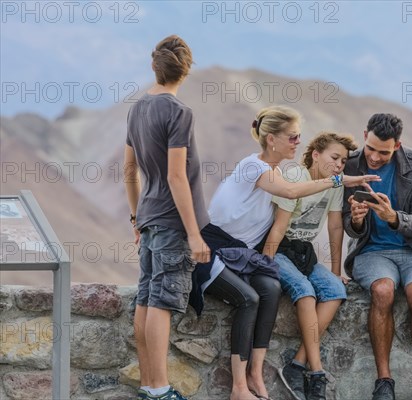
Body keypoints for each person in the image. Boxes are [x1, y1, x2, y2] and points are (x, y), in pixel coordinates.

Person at [189, 106, 379, 400]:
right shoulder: (254, 167)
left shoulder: (280, 172)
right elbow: (290, 195)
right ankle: (239, 388)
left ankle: (257, 374)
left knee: (271, 289)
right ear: (271, 139)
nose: (297, 143)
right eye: (292, 137)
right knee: (249, 298)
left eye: (298, 137)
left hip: (243, 255)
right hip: (214, 251)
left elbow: (315, 213)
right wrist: (342, 180)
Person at [124, 35, 211, 400]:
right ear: (185, 71)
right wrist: (194, 234)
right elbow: (177, 177)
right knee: (161, 303)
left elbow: (129, 171)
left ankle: (148, 385)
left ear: (154, 67)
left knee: (146, 301)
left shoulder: (137, 109)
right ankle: (159, 391)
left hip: (148, 218)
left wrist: (135, 219)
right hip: (173, 223)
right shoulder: (179, 113)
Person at [342, 113, 412, 400]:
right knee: (383, 290)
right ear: (364, 134)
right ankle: (384, 381)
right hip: (372, 251)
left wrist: (394, 218)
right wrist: (355, 219)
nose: (376, 157)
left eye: (384, 152)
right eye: (371, 148)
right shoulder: (350, 163)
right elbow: (349, 228)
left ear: (398, 145)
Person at [261, 132, 357, 400]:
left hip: (304, 254)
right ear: (315, 154)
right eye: (334, 158)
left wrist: (337, 271)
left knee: (335, 291)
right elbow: (279, 226)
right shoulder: (295, 178)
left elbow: (336, 227)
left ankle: (296, 365)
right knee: (304, 289)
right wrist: (264, 263)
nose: (339, 165)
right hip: (279, 248)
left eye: (343, 162)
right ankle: (317, 373)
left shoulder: (334, 185)